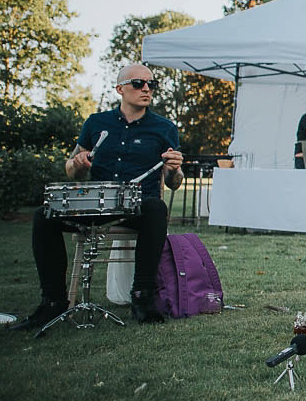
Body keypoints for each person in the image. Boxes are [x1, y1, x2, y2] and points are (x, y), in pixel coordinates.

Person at [10, 64, 185, 330]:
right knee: (43, 215)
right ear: (120, 89)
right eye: (138, 83)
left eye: (152, 84)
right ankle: (53, 302)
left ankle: (142, 297)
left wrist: (174, 170)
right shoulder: (96, 123)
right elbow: (72, 172)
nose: (147, 88)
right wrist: (78, 163)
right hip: (96, 204)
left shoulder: (165, 128)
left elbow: (174, 183)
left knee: (156, 208)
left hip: (138, 207)